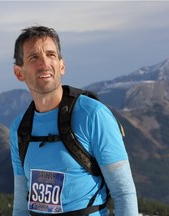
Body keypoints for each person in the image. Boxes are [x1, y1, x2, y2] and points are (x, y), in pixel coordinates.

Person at [9, 25, 138, 216]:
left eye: (51, 54)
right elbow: (21, 203)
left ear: (62, 65)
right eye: (33, 57)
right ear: (19, 73)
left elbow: (123, 193)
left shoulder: (93, 115)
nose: (45, 63)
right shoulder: (19, 128)